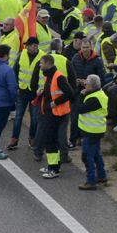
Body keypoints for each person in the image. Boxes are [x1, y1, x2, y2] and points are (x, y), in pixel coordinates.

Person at [35, 52, 73, 180]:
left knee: (50, 141)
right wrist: (41, 92)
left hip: (56, 114)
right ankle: (53, 165)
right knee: (51, 141)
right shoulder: (49, 76)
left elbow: (69, 93)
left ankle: (53, 169)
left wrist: (55, 102)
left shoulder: (58, 77)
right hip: (50, 113)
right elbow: (50, 92)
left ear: (47, 63)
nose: (40, 65)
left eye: (41, 63)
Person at [77, 73, 109, 190]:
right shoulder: (98, 94)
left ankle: (91, 181)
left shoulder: (94, 99)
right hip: (96, 130)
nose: (85, 85)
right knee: (96, 154)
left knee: (86, 156)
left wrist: (81, 95)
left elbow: (80, 109)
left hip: (91, 131)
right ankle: (101, 176)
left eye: (87, 84)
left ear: (91, 86)